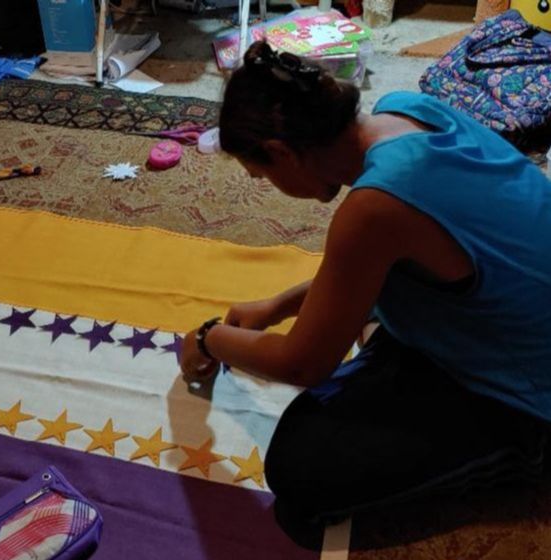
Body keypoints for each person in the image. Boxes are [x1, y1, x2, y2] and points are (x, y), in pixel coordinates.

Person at [179, 40, 551, 532]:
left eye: (261, 174)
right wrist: (276, 306)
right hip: (512, 307)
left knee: (298, 470)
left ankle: (523, 452)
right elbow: (371, 264)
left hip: (532, 392)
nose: (269, 185)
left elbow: (303, 363)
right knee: (370, 313)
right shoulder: (405, 110)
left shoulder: (374, 207)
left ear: (281, 153)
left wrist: (211, 338)